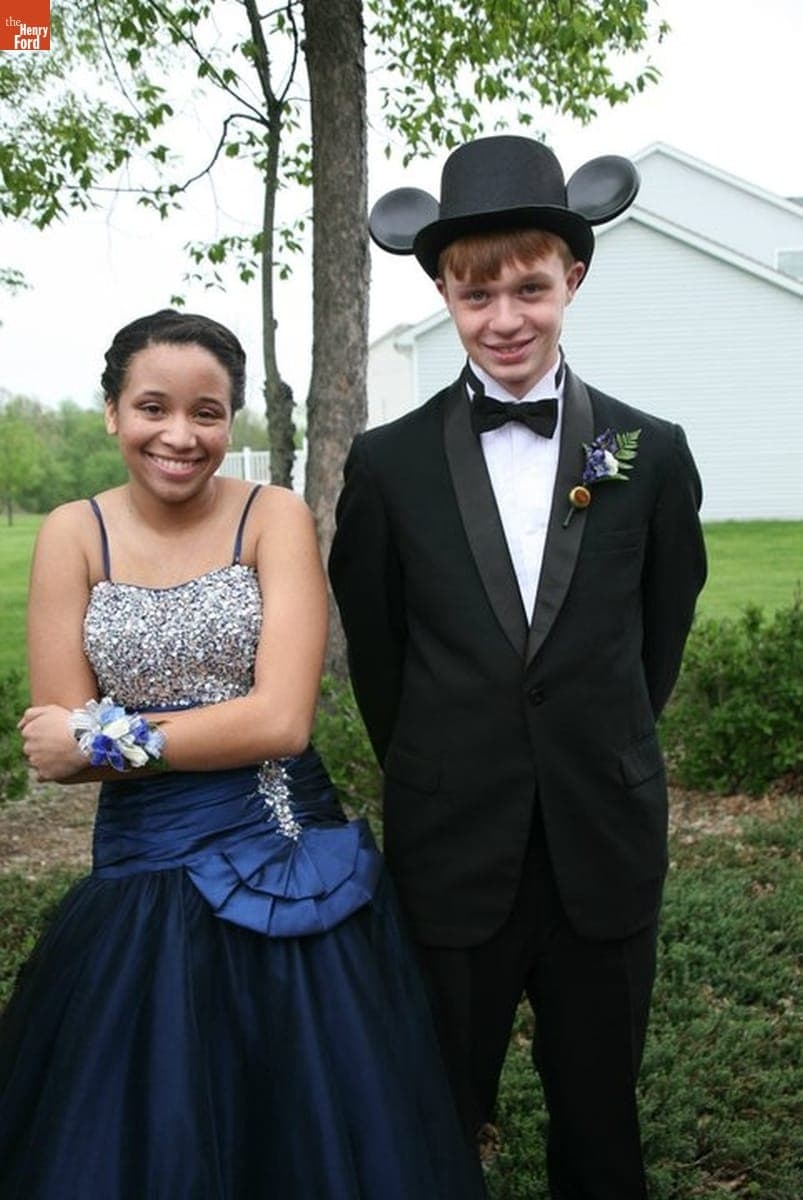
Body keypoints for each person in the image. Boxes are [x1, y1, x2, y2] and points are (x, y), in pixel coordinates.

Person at [0, 309, 485, 1199]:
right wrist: (89, 741)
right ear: (112, 412)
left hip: (283, 865)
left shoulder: (273, 517)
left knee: (304, 1119)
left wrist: (108, 737)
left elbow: (279, 723)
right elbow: (59, 746)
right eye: (153, 407)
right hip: (139, 872)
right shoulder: (73, 532)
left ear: (231, 420)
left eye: (208, 412)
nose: (179, 436)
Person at [329, 136, 707, 1199]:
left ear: (571, 278)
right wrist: (445, 757)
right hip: (452, 841)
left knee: (601, 1113)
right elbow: (380, 655)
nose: (504, 318)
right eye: (475, 293)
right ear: (443, 294)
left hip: (602, 834)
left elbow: (658, 637)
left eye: (529, 289)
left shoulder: (647, 452)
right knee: (438, 1107)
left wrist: (595, 736)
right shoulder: (387, 465)